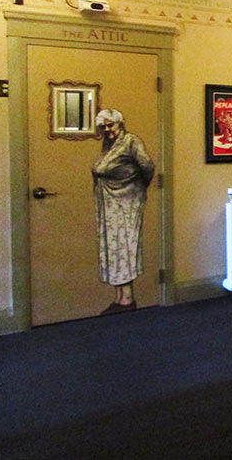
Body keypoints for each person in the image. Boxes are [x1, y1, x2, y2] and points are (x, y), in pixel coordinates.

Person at [92, 109, 155, 315]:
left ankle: (127, 298)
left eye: (111, 124)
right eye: (103, 126)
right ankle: (119, 297)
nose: (107, 129)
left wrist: (134, 187)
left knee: (124, 245)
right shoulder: (109, 144)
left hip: (126, 202)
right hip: (109, 202)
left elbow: (147, 166)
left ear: (121, 123)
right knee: (113, 247)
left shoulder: (131, 141)